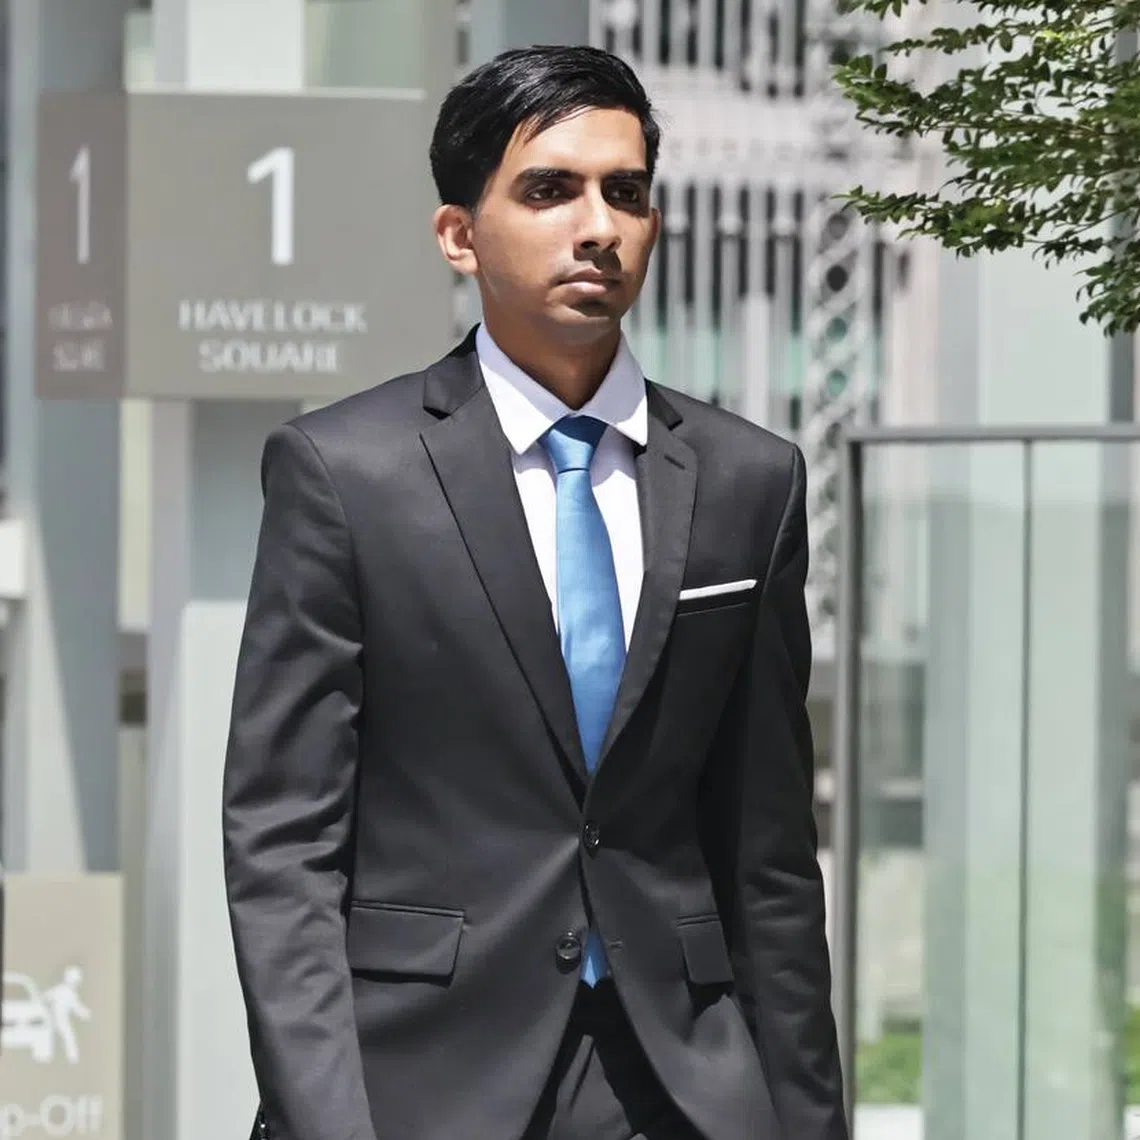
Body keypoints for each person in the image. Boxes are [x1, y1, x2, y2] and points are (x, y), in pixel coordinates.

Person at [223, 44, 847, 1140]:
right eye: (550, 189)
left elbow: (771, 856)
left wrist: (805, 1118)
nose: (598, 224)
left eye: (628, 192)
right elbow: (283, 845)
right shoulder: (343, 472)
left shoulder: (754, 481)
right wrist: (325, 1117)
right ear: (460, 235)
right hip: (422, 1084)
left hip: (681, 1086)